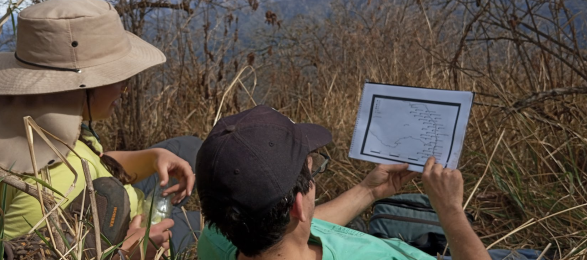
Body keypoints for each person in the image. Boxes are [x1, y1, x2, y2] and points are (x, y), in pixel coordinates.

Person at [0, 0, 200, 258]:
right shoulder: (54, 187)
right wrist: (126, 254)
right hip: (135, 238)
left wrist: (154, 157)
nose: (125, 88)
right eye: (118, 79)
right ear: (79, 88)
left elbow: (98, 161)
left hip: (116, 201)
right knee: (198, 225)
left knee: (188, 147)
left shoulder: (41, 123)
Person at [195, 105, 545, 260]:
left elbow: (290, 228)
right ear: (298, 205)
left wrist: (370, 191)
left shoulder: (217, 240)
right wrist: (451, 211)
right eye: (313, 173)